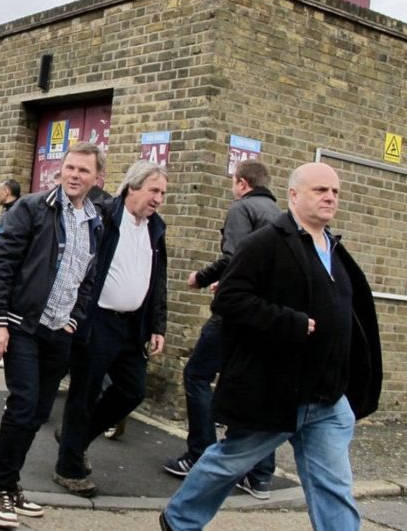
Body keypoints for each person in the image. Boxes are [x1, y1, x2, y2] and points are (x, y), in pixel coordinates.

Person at [161, 162, 383, 531]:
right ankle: (179, 520)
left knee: (335, 488)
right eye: (320, 190)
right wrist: (288, 322)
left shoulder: (335, 250)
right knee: (228, 463)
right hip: (278, 391)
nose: (330, 197)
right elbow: (228, 299)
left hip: (327, 399)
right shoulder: (265, 243)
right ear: (294, 195)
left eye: (335, 192)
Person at [0, 143, 104, 529]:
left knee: (36, 414)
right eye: (69, 167)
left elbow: (88, 277)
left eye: (83, 170)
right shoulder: (34, 208)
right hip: (23, 326)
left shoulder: (94, 221)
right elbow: (2, 263)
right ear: (60, 169)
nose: (74, 175)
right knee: (23, 405)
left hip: (59, 332)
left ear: (96, 178)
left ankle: (12, 484)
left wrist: (75, 319)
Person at [163, 159, 282, 499]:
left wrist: (202, 278)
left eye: (234, 182)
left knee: (197, 375)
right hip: (264, 318)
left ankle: (199, 454)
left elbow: (235, 258)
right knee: (251, 388)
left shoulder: (241, 209)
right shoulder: (280, 217)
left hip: (234, 315)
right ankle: (260, 475)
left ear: (242, 183)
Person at [53, 160, 168, 498]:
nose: (159, 198)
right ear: (132, 188)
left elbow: (157, 281)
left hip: (132, 325)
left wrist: (157, 325)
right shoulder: (104, 216)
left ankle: (76, 438)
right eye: (154, 190)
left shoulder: (156, 228)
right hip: (97, 320)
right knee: (84, 393)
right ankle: (68, 469)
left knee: (133, 390)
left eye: (162, 192)